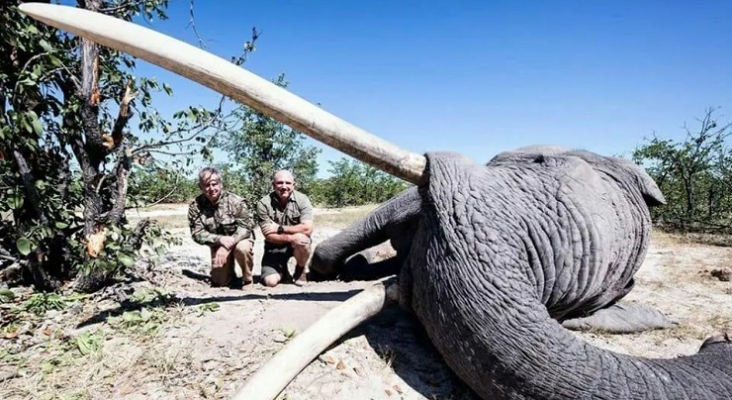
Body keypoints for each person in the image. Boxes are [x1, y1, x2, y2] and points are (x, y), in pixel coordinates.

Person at [187, 167, 255, 288]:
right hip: (217, 244)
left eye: (214, 184)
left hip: (239, 240)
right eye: (207, 185)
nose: (211, 189)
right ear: (200, 187)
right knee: (220, 282)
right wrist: (220, 240)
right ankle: (230, 275)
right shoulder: (195, 206)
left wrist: (229, 243)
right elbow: (197, 233)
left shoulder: (236, 202)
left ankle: (247, 279)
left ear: (221, 184)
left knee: (243, 248)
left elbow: (246, 228)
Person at [256, 169, 314, 287]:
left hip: (296, 245)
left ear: (294, 185)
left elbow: (307, 228)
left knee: (303, 240)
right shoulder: (263, 203)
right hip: (274, 247)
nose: (284, 186)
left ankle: (300, 269)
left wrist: (279, 228)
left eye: (288, 183)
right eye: (279, 183)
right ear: (273, 185)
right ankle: (283, 271)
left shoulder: (302, 200)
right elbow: (268, 235)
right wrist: (291, 238)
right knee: (270, 282)